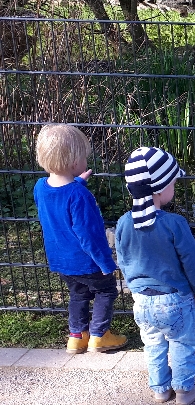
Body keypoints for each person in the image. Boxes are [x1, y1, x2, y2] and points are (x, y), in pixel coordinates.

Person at [115, 147, 195, 404]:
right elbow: (191, 261)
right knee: (181, 343)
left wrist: (134, 285)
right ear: (160, 187)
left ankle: (160, 389)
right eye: (174, 182)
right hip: (174, 299)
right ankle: (185, 390)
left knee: (153, 345)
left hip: (142, 301)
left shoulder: (124, 223)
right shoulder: (174, 223)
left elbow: (122, 259)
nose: (175, 187)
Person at [32, 124, 127, 355]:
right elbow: (89, 235)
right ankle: (99, 335)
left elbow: (59, 202)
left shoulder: (41, 187)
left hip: (61, 260)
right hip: (86, 261)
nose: (86, 161)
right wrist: (106, 263)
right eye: (84, 157)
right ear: (74, 162)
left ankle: (76, 337)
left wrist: (78, 182)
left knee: (79, 293)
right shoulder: (80, 196)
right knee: (106, 291)